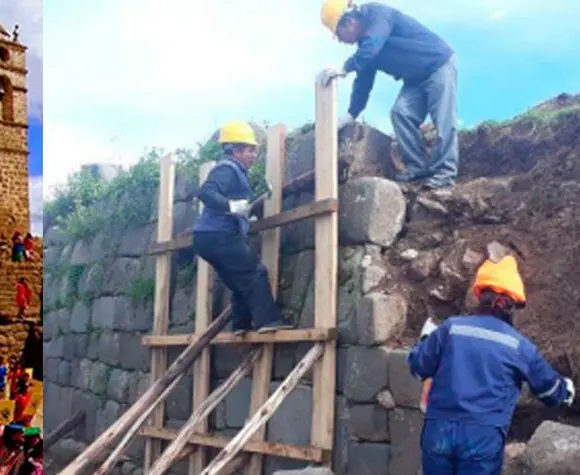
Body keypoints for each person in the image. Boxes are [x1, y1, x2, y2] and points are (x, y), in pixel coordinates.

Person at [407, 255, 575, 475]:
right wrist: (568, 390)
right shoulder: (517, 345)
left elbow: (416, 366)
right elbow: (553, 392)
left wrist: (426, 340)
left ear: (479, 295)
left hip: (439, 433)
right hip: (481, 440)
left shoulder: (451, 329)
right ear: (512, 306)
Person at [318, 1, 458, 190]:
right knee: (400, 113)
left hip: (437, 65)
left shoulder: (378, 15)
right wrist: (351, 114)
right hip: (414, 78)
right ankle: (417, 167)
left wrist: (344, 67)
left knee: (443, 119)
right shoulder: (365, 47)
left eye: (338, 35)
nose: (341, 41)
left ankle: (445, 173)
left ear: (349, 22)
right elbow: (363, 83)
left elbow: (373, 45)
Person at [191, 121, 287, 336]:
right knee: (255, 272)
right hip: (220, 234)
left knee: (238, 280)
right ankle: (268, 321)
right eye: (250, 150)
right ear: (235, 150)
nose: (254, 156)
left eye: (255, 151)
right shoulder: (227, 168)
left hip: (206, 238)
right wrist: (232, 206)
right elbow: (206, 192)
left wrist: (245, 212)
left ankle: (241, 324)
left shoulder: (234, 171)